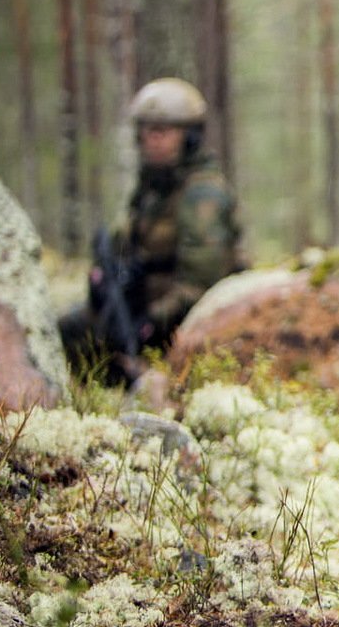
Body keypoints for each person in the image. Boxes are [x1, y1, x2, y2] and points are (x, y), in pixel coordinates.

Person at [59, 77, 243, 393]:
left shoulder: (202, 195)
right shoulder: (150, 191)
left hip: (182, 324)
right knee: (69, 330)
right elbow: (126, 249)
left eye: (165, 131)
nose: (154, 140)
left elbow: (202, 285)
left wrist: (148, 322)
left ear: (190, 137)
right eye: (148, 131)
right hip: (139, 313)